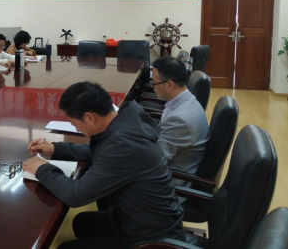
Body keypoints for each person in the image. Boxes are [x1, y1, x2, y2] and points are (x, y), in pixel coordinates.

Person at [23, 82, 185, 249]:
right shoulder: (124, 120)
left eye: (74, 123)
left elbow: (75, 195)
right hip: (137, 217)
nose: (76, 129)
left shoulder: (124, 145)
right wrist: (56, 149)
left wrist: (41, 168)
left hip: (149, 239)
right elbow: (102, 153)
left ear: (89, 117)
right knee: (81, 223)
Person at [151, 57, 209, 178]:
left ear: (169, 84)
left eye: (154, 83)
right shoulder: (187, 99)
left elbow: (154, 160)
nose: (152, 87)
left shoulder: (179, 120)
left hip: (170, 179)